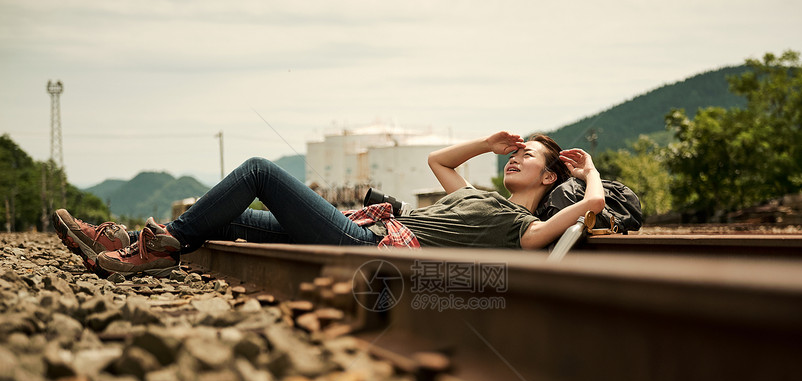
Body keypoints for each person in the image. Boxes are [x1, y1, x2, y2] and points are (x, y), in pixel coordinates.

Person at [53, 131, 605, 276]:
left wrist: (591, 179)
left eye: (526, 156)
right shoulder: (480, 197)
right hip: (359, 228)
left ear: (551, 174)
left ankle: (153, 247)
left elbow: (562, 223)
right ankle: (131, 244)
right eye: (514, 153)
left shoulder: (519, 223)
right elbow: (439, 163)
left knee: (259, 172)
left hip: (367, 242)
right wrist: (488, 144)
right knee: (234, 218)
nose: (515, 159)